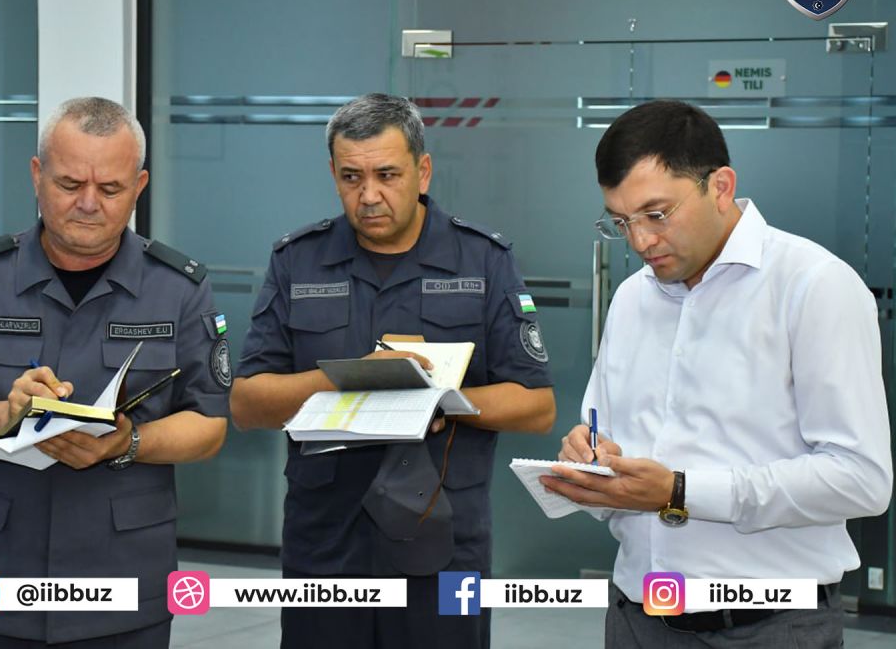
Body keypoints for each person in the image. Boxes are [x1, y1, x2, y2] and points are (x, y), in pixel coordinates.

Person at [541, 99, 893, 647]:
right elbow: (606, 433)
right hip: (636, 618)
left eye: (657, 215)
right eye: (621, 222)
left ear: (721, 187)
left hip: (769, 626)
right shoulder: (632, 298)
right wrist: (593, 460)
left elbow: (861, 480)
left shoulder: (814, 286)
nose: (640, 241)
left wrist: (679, 491)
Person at [231, 93, 556, 648]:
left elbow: (537, 406)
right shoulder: (297, 260)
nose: (369, 196)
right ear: (333, 174)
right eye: (351, 177)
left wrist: (440, 399)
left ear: (422, 171)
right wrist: (348, 377)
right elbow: (245, 404)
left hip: (447, 541)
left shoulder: (483, 260)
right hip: (326, 543)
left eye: (387, 175)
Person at [0, 97, 229, 647]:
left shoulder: (178, 288)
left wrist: (128, 443)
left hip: (122, 582)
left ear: (139, 186)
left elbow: (209, 425)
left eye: (110, 189)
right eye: (69, 183)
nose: (88, 204)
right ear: (37, 175)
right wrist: (4, 415)